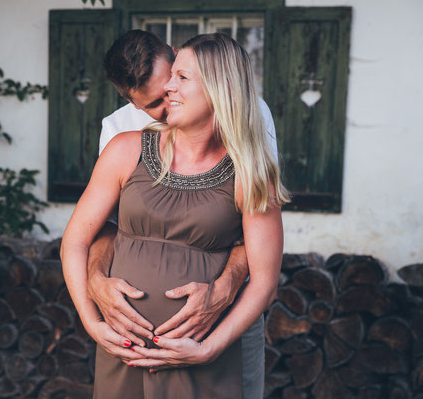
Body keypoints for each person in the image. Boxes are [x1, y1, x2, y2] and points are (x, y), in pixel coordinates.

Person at [61, 33, 288, 398]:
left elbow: (261, 256)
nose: (169, 91)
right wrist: (94, 293)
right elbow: (91, 232)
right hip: (126, 346)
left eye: (180, 77)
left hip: (210, 344)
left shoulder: (250, 143)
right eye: (153, 100)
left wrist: (223, 291)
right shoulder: (123, 138)